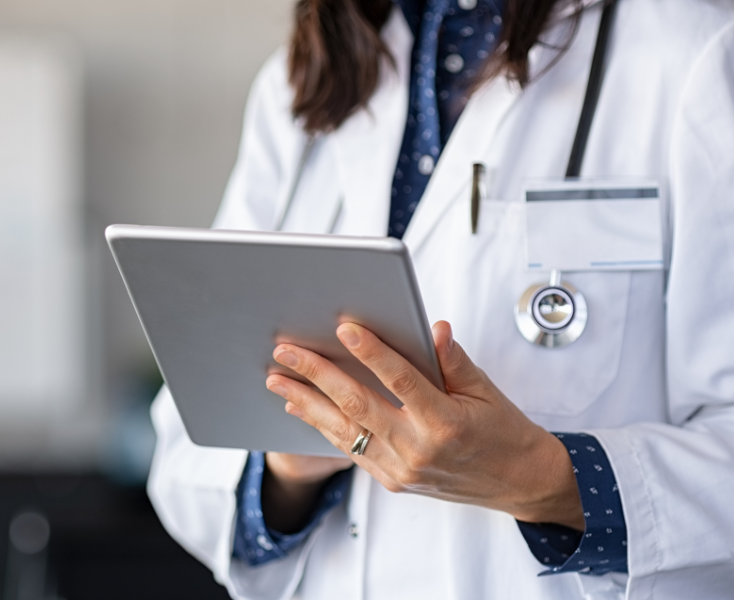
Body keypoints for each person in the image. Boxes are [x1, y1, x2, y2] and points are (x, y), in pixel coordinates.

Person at [147, 0, 734, 598]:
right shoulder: (301, 77)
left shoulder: (696, 52)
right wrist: (287, 469)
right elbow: (189, 451)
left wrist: (545, 480)